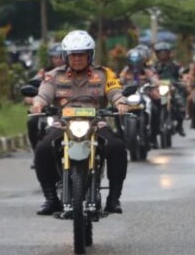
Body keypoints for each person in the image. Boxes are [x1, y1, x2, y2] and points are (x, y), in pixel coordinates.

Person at [30, 30, 129, 215]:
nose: (77, 59)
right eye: (73, 55)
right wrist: (38, 104)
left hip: (95, 123)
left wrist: (120, 103)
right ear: (66, 57)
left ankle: (114, 198)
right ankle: (51, 198)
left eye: (81, 54)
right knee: (43, 149)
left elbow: (114, 90)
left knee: (117, 147)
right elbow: (44, 93)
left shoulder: (104, 74)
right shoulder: (54, 75)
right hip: (63, 123)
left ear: (89, 55)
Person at [26, 45, 66, 153]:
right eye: (55, 57)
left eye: (61, 57)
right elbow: (30, 93)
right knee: (33, 122)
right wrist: (34, 101)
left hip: (69, 109)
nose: (58, 60)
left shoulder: (74, 72)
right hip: (49, 109)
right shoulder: (44, 73)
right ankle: (37, 152)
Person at [120, 48, 161, 148]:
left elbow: (155, 80)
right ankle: (120, 134)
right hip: (129, 97)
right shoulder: (125, 71)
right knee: (117, 111)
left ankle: (153, 136)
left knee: (155, 110)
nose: (135, 64)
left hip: (144, 96)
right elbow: (119, 80)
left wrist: (154, 84)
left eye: (137, 62)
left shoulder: (147, 71)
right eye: (132, 62)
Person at [153, 41, 187, 137]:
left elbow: (182, 72)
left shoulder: (175, 64)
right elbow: (149, 75)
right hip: (157, 90)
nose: (163, 55)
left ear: (169, 53)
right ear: (157, 54)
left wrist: (184, 77)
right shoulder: (153, 66)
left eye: (165, 52)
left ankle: (179, 126)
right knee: (151, 106)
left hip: (173, 88)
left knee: (180, 105)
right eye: (160, 53)